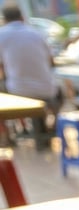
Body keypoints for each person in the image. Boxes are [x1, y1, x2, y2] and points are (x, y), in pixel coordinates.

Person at [0, 4, 60, 147]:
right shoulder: (37, 33)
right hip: (47, 90)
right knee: (60, 93)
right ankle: (52, 127)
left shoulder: (2, 35)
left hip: (18, 91)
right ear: (22, 17)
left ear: (5, 19)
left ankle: (6, 137)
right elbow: (51, 62)